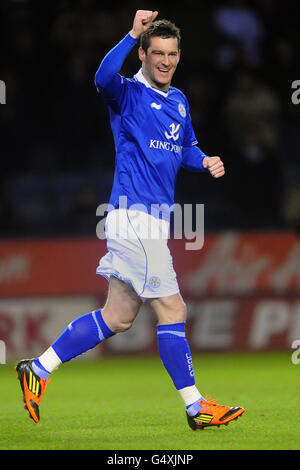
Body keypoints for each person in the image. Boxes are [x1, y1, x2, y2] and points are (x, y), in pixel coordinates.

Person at [15, 10, 244, 430]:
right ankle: (195, 406)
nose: (165, 60)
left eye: (172, 54)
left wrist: (205, 159)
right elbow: (101, 78)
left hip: (152, 222)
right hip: (133, 217)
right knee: (173, 307)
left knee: (118, 316)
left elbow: (185, 147)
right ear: (142, 54)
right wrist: (130, 32)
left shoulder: (179, 101)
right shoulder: (127, 93)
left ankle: (39, 369)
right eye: (156, 52)